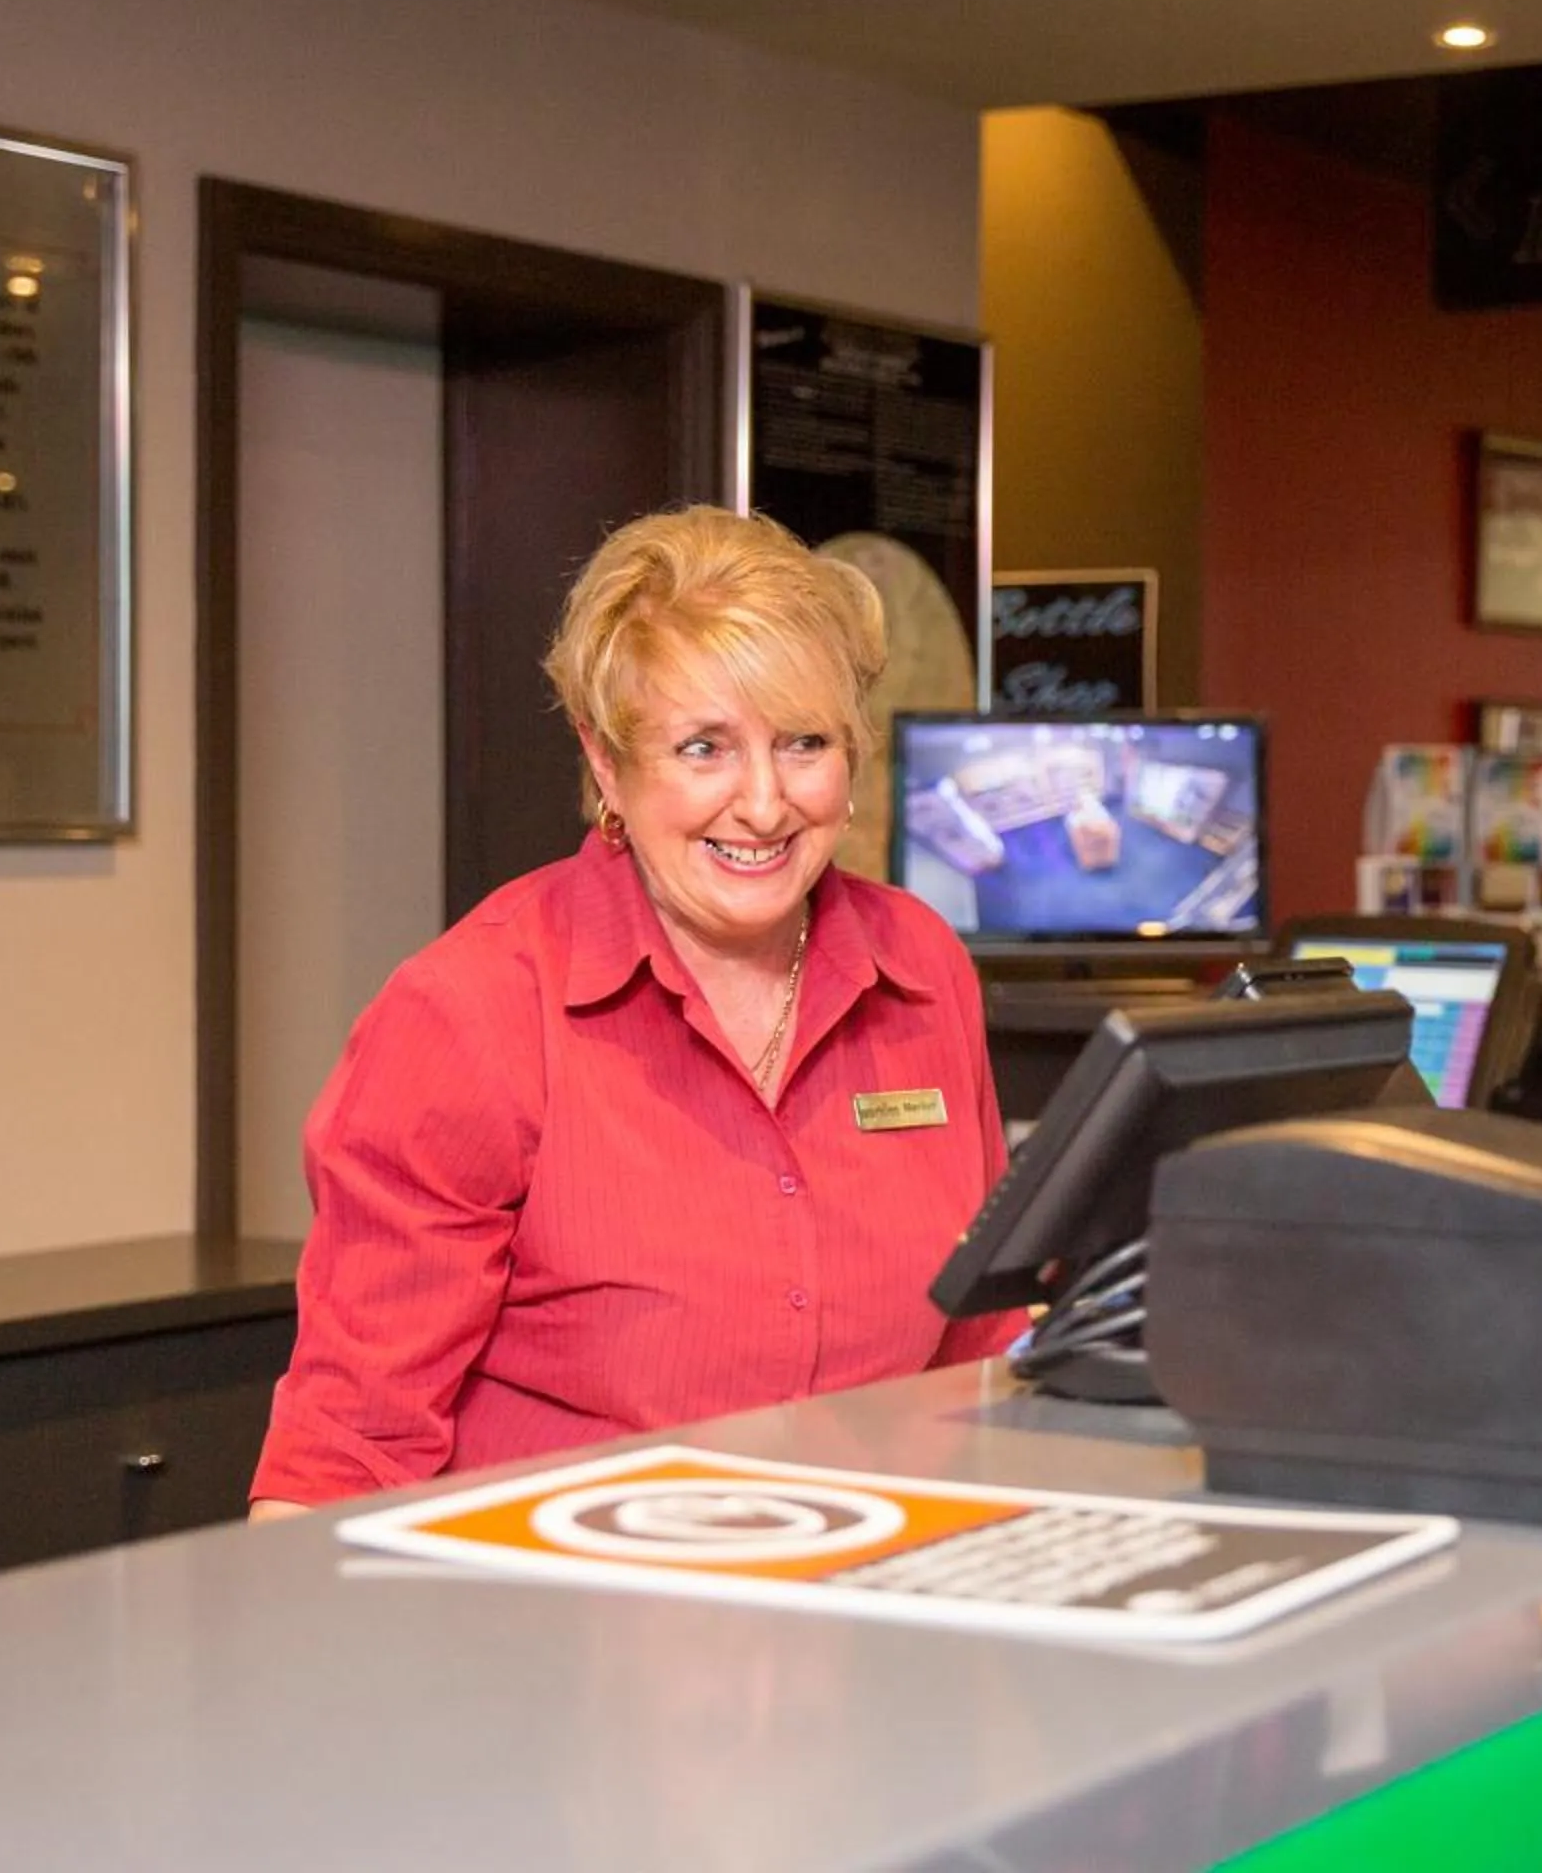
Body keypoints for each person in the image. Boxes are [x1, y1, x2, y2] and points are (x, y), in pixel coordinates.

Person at [251, 508, 1024, 1514]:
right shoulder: (472, 1013)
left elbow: (984, 1348)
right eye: (704, 748)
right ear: (607, 764)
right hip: (554, 1599)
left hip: (878, 1573)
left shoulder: (921, 965)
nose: (763, 804)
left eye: (805, 742)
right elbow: (346, 1455)